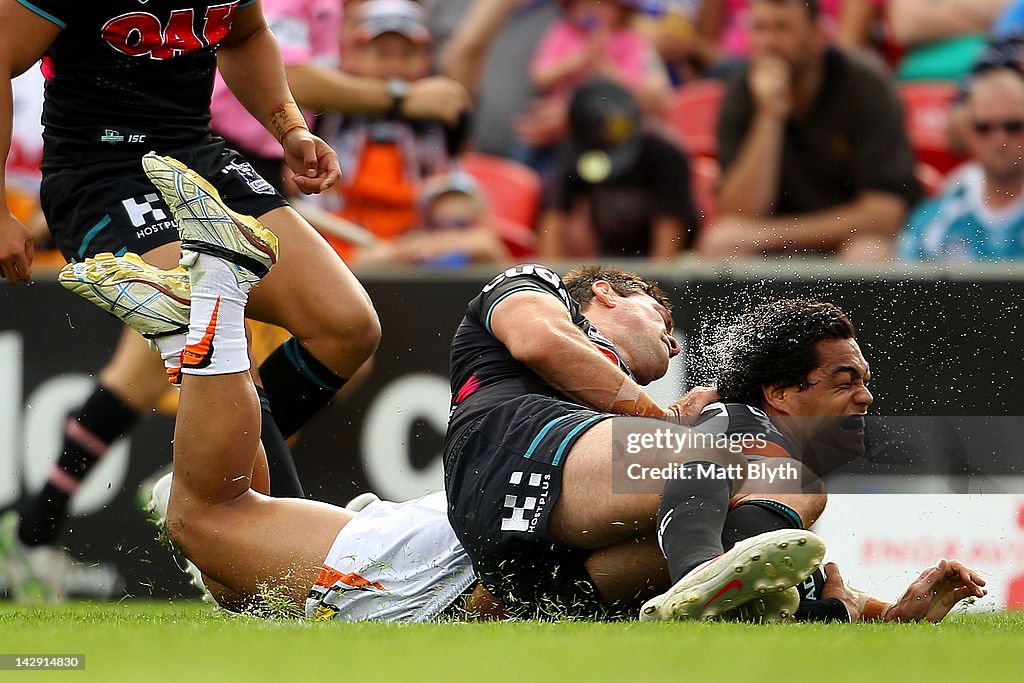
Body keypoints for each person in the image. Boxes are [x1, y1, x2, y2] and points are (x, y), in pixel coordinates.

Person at [56, 160, 986, 621]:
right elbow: (548, 345)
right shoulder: (541, 294)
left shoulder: (685, 434)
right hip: (467, 513)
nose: (667, 341)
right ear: (606, 293)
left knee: (221, 540)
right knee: (209, 524)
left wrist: (884, 610)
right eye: (656, 318)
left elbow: (784, 548)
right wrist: (671, 419)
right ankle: (212, 293)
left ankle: (195, 325)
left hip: (457, 551)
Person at [0, 0, 380, 597]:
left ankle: (210, 478)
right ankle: (297, 560)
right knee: (215, 342)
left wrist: (291, 128)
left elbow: (246, 33)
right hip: (103, 170)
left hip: (197, 157)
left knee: (347, 325)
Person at [698, 0, 921, 260]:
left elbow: (885, 214)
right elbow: (737, 213)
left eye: (783, 29)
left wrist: (772, 235)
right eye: (759, 28)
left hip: (846, 238)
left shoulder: (866, 86)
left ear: (817, 36)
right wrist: (769, 115)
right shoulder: (741, 90)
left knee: (868, 253)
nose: (769, 43)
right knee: (722, 242)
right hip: (771, 245)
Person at [314, 0, 466, 261]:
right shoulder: (324, 105)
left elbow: (470, 51)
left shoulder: (443, 106)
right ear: (355, 54)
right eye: (382, 53)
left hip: (419, 242)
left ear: (427, 57)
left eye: (407, 54)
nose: (395, 64)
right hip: (342, 238)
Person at [538, 78, 699, 260]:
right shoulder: (573, 154)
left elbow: (669, 233)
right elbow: (554, 217)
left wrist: (654, 284)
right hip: (610, 258)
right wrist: (555, 279)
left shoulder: (664, 154)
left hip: (677, 262)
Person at [900, 66, 1024, 261]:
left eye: (1014, 126)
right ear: (967, 132)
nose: (1000, 140)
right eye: (983, 128)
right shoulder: (938, 219)